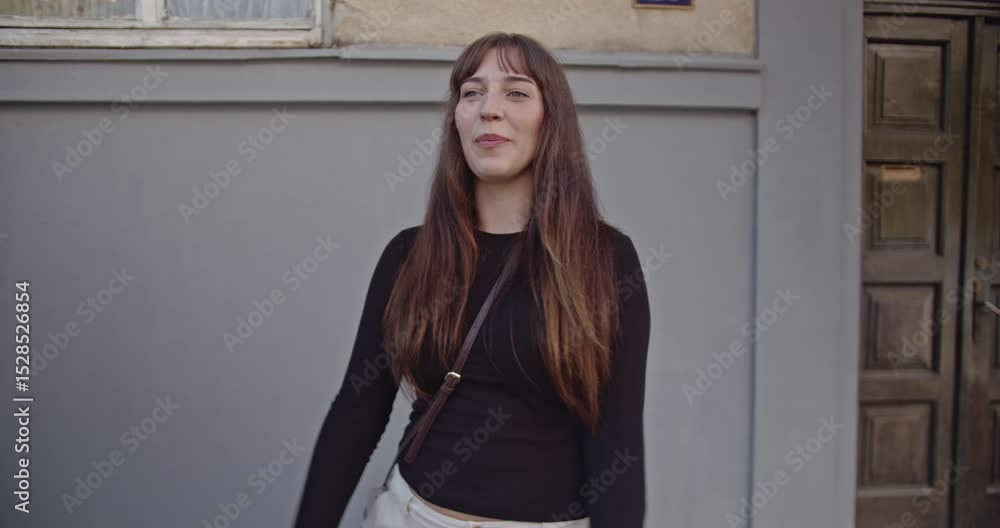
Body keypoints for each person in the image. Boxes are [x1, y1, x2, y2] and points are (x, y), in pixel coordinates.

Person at [292, 32, 651, 528]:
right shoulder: (409, 255)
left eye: (516, 92)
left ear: (552, 119)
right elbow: (358, 410)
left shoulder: (605, 259)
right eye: (472, 92)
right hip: (410, 516)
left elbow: (616, 437)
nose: (489, 109)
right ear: (456, 118)